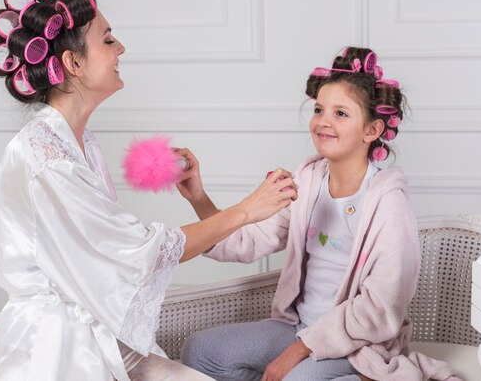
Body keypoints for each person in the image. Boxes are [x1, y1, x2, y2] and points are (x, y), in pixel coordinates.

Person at [0, 0, 298, 381]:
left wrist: (202, 199)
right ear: (73, 62)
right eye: (108, 39)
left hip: (96, 333)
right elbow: (139, 251)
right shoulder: (47, 160)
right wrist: (246, 210)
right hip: (54, 353)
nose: (122, 49)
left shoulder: (78, 143)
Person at [178, 47, 461, 381]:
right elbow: (247, 241)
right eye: (318, 109)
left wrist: (295, 355)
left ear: (371, 131)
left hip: (358, 344)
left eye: (341, 113)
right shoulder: (307, 183)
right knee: (200, 351)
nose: (323, 121)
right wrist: (198, 197)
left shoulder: (388, 204)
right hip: (297, 327)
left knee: (294, 379)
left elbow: (380, 309)